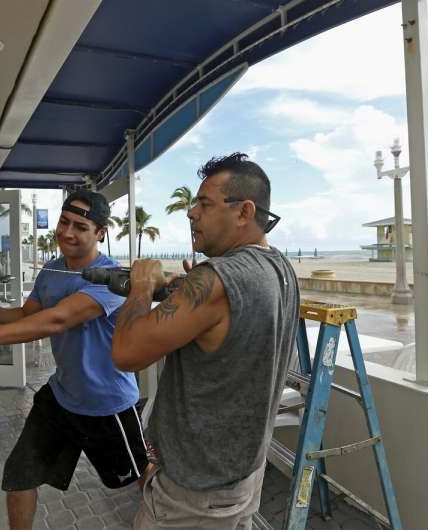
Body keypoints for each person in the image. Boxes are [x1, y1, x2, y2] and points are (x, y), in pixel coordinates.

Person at [110, 153, 299, 529]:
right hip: (241, 473)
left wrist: (143, 286)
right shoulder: (280, 268)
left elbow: (126, 353)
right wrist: (185, 288)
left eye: (204, 203)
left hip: (195, 494)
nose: (192, 213)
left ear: (244, 211)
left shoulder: (215, 280)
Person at [0, 191, 148, 530]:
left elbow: (57, 320)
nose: (67, 232)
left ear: (101, 233)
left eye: (80, 226)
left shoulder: (113, 279)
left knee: (143, 479)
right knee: (19, 475)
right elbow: (27, 315)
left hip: (106, 403)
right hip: (61, 396)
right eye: (64, 222)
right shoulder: (52, 270)